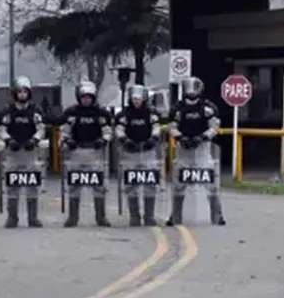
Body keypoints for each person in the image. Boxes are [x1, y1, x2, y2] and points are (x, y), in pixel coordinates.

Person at [167, 76, 226, 226]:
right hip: (184, 149)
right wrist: (180, 137)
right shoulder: (177, 108)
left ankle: (217, 215)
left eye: (194, 88)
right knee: (179, 184)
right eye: (188, 88)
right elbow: (171, 127)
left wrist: (204, 137)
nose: (191, 92)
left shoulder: (208, 108)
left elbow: (214, 127)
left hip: (202, 149)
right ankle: (175, 216)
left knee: (210, 182)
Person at [59, 80, 113, 227]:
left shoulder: (101, 113)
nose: (86, 99)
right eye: (83, 97)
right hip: (76, 152)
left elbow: (108, 131)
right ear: (79, 97)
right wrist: (67, 141)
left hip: (95, 153)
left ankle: (101, 217)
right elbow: (64, 131)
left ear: (93, 97)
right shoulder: (71, 113)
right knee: (74, 186)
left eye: (89, 97)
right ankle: (72, 218)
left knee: (99, 186)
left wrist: (103, 140)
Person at [0, 76, 44, 228]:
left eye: (25, 92)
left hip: (31, 153)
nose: (22, 94)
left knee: (32, 185)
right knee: (12, 185)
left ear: (29, 93)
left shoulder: (36, 110)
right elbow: (1, 128)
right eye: (19, 92)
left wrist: (35, 140)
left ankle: (33, 218)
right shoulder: (7, 111)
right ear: (14, 93)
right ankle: (12, 217)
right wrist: (9, 140)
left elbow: (41, 128)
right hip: (13, 153)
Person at [114, 84, 162, 226]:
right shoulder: (123, 115)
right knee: (131, 185)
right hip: (130, 153)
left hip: (148, 152)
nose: (136, 101)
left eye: (139, 98)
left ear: (144, 98)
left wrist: (153, 139)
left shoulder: (152, 114)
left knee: (150, 184)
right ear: (129, 98)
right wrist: (125, 140)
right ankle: (134, 216)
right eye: (134, 98)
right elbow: (119, 129)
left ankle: (149, 216)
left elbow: (157, 128)